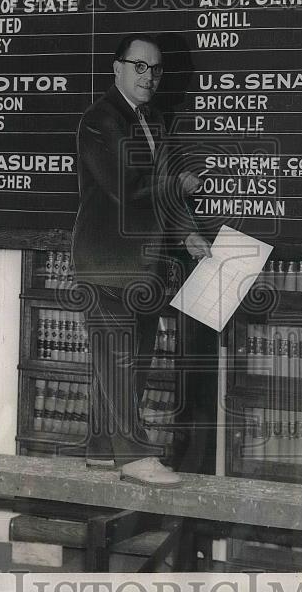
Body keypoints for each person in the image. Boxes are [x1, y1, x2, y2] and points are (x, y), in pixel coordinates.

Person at [71, 34, 211, 488]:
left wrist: (189, 235)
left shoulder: (152, 119)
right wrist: (179, 188)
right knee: (117, 360)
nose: (149, 77)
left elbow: (163, 185)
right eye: (140, 67)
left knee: (133, 359)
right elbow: (126, 190)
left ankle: (100, 449)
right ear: (117, 69)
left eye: (156, 69)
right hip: (107, 262)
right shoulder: (99, 120)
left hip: (145, 265)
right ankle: (132, 456)